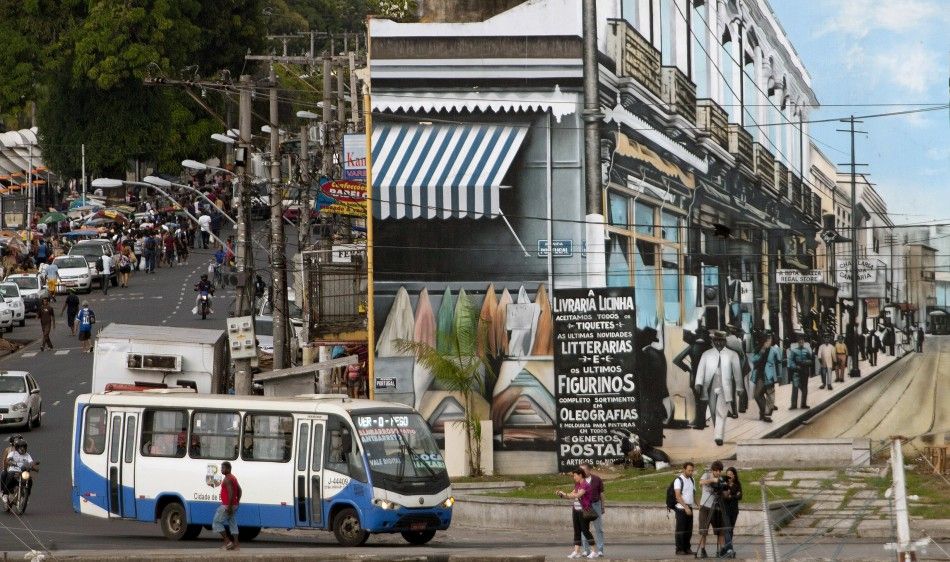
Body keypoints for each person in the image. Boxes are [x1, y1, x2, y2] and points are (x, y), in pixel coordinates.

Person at [695, 331, 742, 446]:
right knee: (712, 410)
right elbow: (701, 369)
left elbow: (737, 372)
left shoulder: (732, 354)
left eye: (721, 341)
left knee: (721, 411)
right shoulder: (706, 354)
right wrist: (698, 383)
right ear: (713, 341)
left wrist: (739, 387)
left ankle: (718, 436)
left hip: (725, 386)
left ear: (725, 341)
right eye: (717, 341)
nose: (719, 343)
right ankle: (718, 431)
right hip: (710, 385)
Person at [673, 327, 712, 430]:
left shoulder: (692, 347)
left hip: (694, 377)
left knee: (697, 400)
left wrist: (688, 369)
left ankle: (699, 422)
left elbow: (677, 360)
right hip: (707, 377)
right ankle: (701, 422)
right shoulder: (709, 347)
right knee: (704, 400)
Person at [556, 467, 598, 559]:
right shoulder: (577, 485)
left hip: (584, 511)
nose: (574, 477)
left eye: (575, 475)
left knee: (585, 530)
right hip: (576, 510)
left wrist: (568, 494)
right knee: (577, 531)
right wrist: (562, 494)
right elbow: (571, 495)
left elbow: (578, 495)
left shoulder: (585, 485)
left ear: (580, 475)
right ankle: (576, 552)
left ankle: (594, 551)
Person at [695, 460, 725, 559]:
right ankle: (703, 550)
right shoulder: (706, 475)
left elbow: (723, 491)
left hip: (717, 507)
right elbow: (700, 482)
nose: (719, 473)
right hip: (705, 507)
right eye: (717, 471)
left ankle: (722, 550)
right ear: (713, 470)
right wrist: (712, 480)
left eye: (720, 471)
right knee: (704, 530)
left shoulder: (720, 479)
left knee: (720, 530)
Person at [213, 461, 241, 551]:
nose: (221, 470)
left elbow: (231, 493)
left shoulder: (227, 479)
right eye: (221, 468)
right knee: (232, 523)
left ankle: (228, 542)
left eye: (223, 468)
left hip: (227, 506)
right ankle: (236, 545)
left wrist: (229, 506)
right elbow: (239, 490)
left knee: (216, 522)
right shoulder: (233, 478)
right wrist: (237, 502)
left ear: (228, 469)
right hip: (234, 505)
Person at [580, 462, 606, 558]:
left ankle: (600, 550)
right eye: (580, 470)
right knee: (584, 529)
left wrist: (602, 506)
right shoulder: (579, 480)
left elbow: (601, 494)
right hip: (584, 506)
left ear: (589, 470)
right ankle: (586, 550)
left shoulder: (597, 479)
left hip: (596, 505)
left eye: (583, 470)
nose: (581, 472)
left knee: (599, 528)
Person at [1, 439, 37, 505]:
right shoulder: (13, 453)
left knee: (30, 480)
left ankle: (26, 496)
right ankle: (5, 494)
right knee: (10, 476)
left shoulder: (27, 455)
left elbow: (31, 462)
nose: (22, 448)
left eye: (24, 447)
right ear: (17, 447)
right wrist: (12, 463)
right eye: (21, 447)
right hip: (13, 470)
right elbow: (7, 460)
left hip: (22, 472)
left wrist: (33, 466)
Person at [748, 334, 775, 422]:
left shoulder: (773, 350)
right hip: (760, 375)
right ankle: (763, 413)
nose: (769, 342)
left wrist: (777, 376)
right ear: (764, 341)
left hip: (769, 375)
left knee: (767, 395)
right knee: (757, 395)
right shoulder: (759, 349)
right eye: (768, 340)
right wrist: (762, 350)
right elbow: (754, 360)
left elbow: (778, 361)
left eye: (770, 340)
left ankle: (765, 414)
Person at [672, 461, 697, 556]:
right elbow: (678, 496)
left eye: (692, 470)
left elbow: (694, 494)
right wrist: (686, 507)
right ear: (684, 469)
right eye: (689, 470)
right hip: (681, 508)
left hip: (689, 507)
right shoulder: (678, 480)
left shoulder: (692, 480)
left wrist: (699, 505)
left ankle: (687, 548)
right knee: (681, 530)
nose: (691, 472)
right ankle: (679, 549)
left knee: (688, 530)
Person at [720, 467, 742, 558]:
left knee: (731, 530)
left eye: (731, 474)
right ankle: (729, 549)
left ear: (734, 475)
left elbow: (740, 496)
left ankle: (726, 549)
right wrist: (734, 495)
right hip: (725, 509)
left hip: (734, 510)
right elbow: (725, 497)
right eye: (728, 474)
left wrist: (731, 496)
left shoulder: (737, 484)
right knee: (727, 529)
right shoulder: (724, 484)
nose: (729, 476)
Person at [787, 334, 812, 410]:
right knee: (795, 388)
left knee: (804, 388)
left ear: (804, 342)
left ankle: (803, 404)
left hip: (805, 372)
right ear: (798, 342)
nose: (801, 342)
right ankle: (793, 405)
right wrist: (795, 366)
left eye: (802, 340)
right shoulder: (794, 351)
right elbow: (790, 361)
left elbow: (811, 361)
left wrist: (805, 362)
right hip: (796, 372)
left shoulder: (806, 351)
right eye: (799, 341)